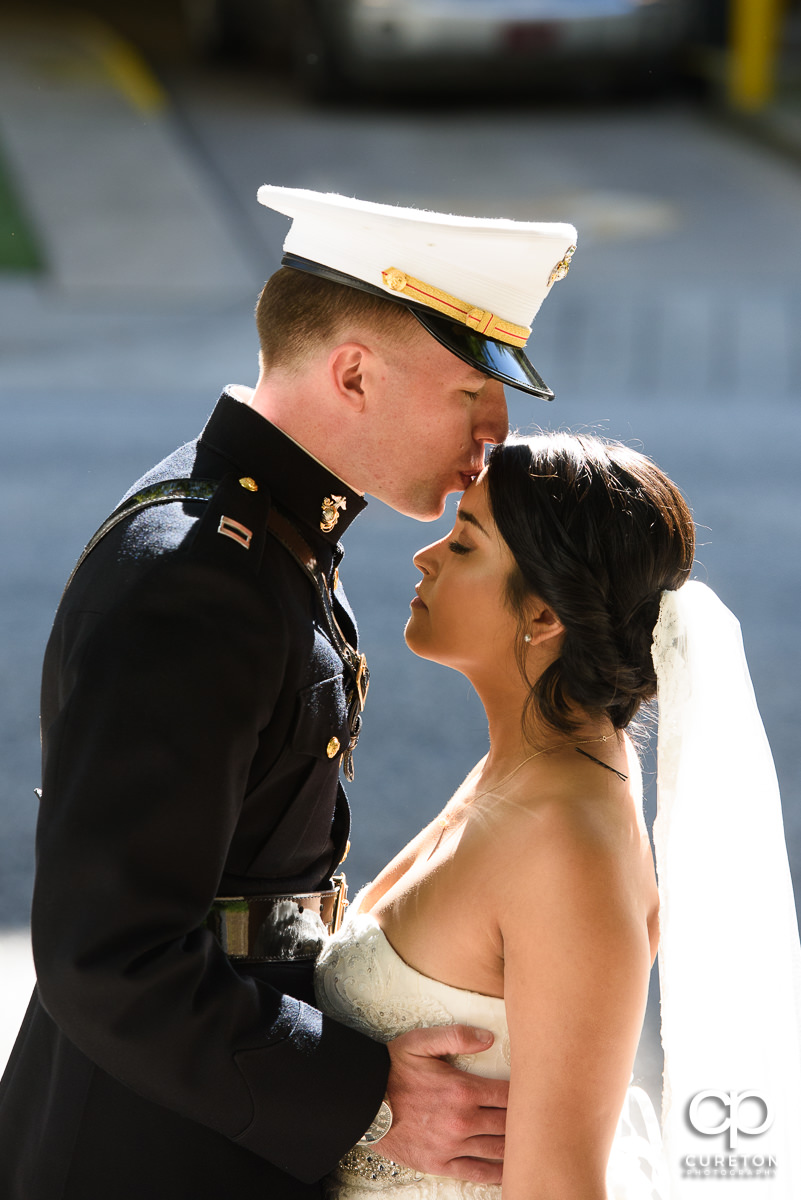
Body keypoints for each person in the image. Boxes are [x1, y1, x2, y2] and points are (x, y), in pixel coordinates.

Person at [0, 189, 578, 1199]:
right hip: (148, 1146)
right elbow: (108, 956)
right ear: (352, 371)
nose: (495, 429)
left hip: (206, 1108)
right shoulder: (195, 573)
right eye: (468, 393)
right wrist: (365, 1096)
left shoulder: (267, 536)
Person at [314, 433, 801, 1199]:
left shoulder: (566, 844)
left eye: (464, 542)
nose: (424, 556)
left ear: (541, 614)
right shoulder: (529, 765)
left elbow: (560, 1185)